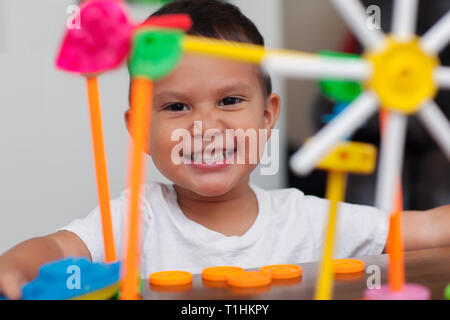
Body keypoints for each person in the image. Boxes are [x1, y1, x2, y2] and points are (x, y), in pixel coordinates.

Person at [0, 0, 449, 300]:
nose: (206, 127)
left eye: (230, 101)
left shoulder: (310, 218)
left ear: (268, 116)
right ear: (139, 126)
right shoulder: (136, 218)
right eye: (176, 106)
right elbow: (55, 248)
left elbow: (427, 229)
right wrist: (15, 269)